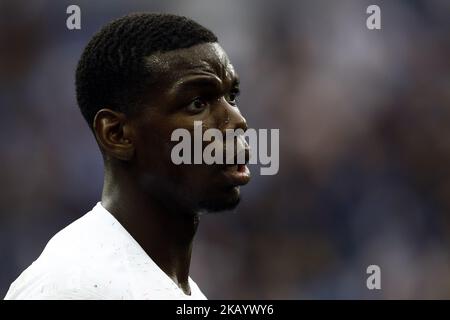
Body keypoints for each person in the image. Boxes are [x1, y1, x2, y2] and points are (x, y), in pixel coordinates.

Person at [5, 12, 250, 300]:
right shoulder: (70, 287)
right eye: (197, 103)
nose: (237, 120)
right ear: (117, 134)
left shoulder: (176, 288)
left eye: (231, 96)